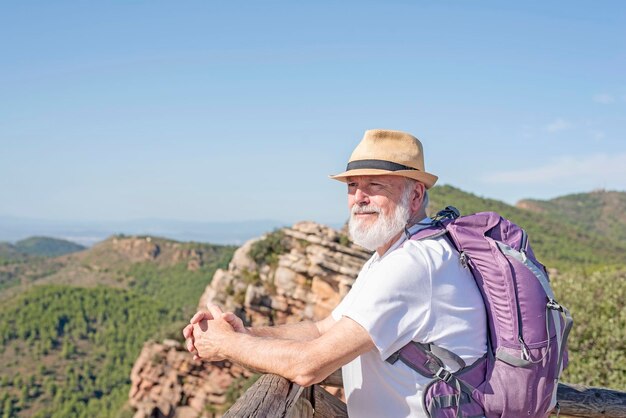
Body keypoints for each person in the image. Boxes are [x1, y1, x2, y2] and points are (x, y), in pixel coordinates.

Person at [182, 129, 487, 417]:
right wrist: (244, 333)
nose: (359, 198)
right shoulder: (392, 256)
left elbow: (309, 366)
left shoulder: (412, 265)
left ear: (416, 196)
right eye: (352, 186)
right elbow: (322, 330)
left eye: (375, 185)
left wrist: (224, 344)